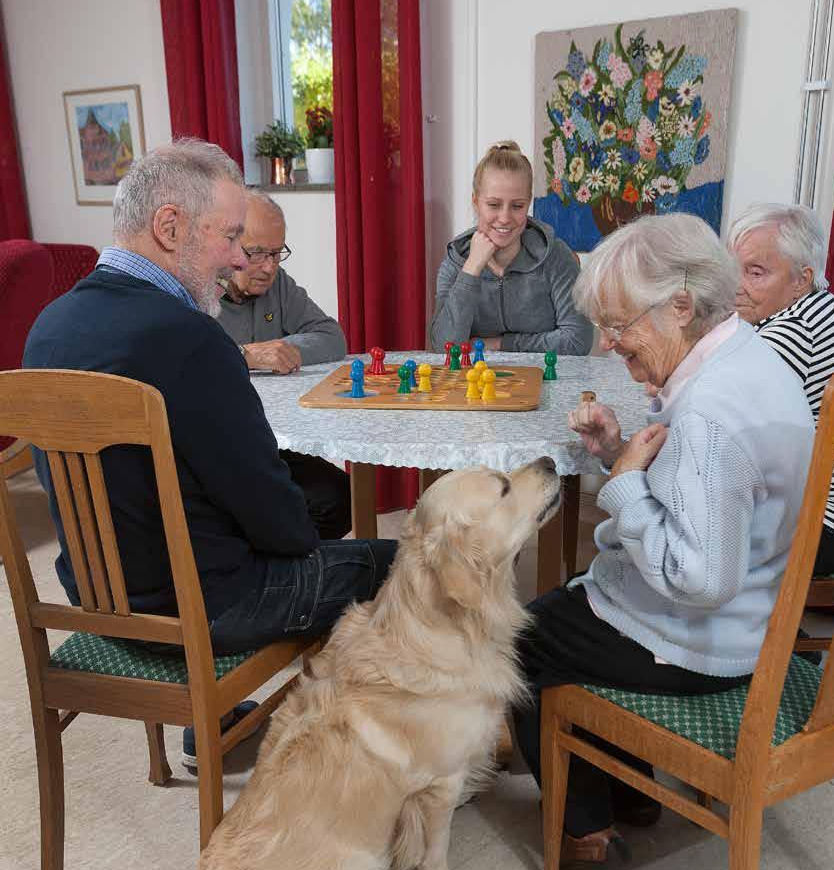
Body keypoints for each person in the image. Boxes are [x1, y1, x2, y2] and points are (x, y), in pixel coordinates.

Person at [24, 139, 395, 764]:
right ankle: (354, 760)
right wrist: (309, 550)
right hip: (205, 609)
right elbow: (272, 511)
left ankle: (215, 721)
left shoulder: (48, 325)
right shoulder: (192, 340)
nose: (233, 257)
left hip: (96, 596)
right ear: (169, 227)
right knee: (395, 563)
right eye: (227, 236)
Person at [510, 213, 814, 862]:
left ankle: (582, 827)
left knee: (516, 638)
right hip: (754, 620)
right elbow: (709, 500)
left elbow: (698, 578)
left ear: (679, 306)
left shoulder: (706, 412)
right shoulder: (753, 358)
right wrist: (621, 450)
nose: (610, 342)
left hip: (700, 642)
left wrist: (621, 485)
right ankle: (631, 791)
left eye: (620, 325)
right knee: (572, 600)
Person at [728, 203, 834, 574]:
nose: (734, 286)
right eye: (733, 270)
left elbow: (727, 433)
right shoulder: (827, 306)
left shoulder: (789, 332)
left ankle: (760, 629)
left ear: (801, 279)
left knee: (693, 536)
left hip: (832, 522)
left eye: (754, 273)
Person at [217, 188, 351, 539]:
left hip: (272, 442)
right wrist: (246, 356)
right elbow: (178, 361)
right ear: (227, 243)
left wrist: (279, 349)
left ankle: (300, 578)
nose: (270, 267)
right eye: (258, 253)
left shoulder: (278, 284)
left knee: (339, 496)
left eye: (277, 253)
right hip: (218, 449)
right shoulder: (194, 292)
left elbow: (331, 336)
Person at [429, 141, 593, 357]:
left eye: (517, 206)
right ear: (476, 202)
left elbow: (577, 340)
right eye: (494, 205)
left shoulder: (557, 256)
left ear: (528, 204)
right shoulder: (455, 263)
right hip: (476, 384)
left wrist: (498, 344)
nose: (505, 218)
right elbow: (443, 348)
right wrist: (471, 270)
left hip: (549, 381)